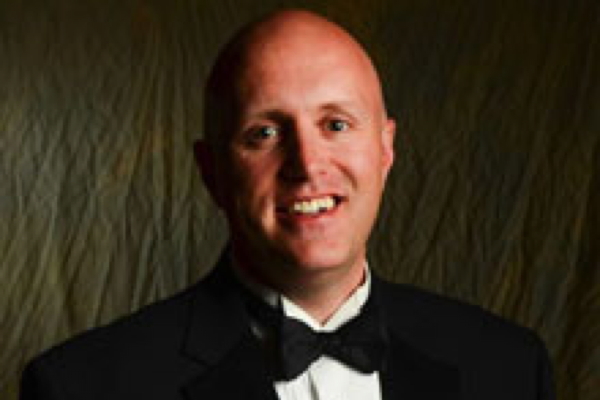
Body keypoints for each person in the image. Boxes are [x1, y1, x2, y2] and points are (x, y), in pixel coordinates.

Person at [20, 9, 555, 400]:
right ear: (211, 171)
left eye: (336, 125)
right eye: (266, 133)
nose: (307, 163)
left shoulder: (509, 368)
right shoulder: (82, 387)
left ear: (386, 148)